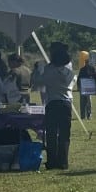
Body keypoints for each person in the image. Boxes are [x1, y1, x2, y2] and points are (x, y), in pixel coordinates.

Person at [32, 42, 75, 170]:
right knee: (64, 134)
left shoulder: (48, 69)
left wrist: (37, 70)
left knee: (51, 134)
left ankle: (52, 161)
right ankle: (63, 162)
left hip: (52, 102)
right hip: (66, 103)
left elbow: (39, 82)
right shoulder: (69, 70)